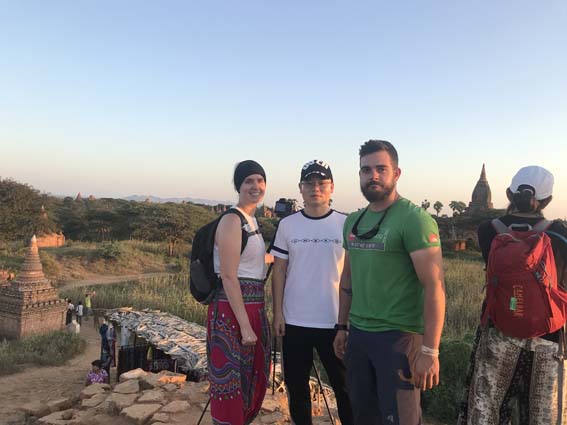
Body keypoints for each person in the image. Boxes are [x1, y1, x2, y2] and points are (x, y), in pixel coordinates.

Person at [333, 140, 445, 425]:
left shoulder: (414, 220)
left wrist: (430, 351)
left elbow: (434, 287)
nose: (373, 176)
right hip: (359, 336)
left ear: (396, 173)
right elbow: (348, 278)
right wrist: (342, 327)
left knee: (400, 418)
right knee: (363, 416)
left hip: (399, 338)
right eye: (366, 170)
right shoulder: (353, 221)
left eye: (381, 169)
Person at [458, 165, 567, 424]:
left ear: (509, 194)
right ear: (548, 200)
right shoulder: (560, 234)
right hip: (548, 338)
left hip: (498, 331)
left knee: (487, 410)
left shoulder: (488, 230)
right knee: (543, 415)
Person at [270, 160, 353, 425]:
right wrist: (278, 313)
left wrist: (346, 322)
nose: (315, 188)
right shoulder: (288, 225)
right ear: (301, 188)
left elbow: (352, 275)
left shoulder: (346, 224)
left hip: (334, 322)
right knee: (297, 389)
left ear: (332, 187)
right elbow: (279, 270)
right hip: (295, 321)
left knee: (345, 389)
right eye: (309, 183)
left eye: (321, 183)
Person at [207, 160, 270, 425]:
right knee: (231, 385)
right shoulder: (232, 220)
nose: (255, 186)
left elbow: (250, 262)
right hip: (233, 314)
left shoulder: (251, 220)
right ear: (238, 186)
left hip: (252, 309)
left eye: (260, 180)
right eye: (248, 181)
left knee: (250, 381)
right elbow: (229, 276)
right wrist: (245, 326)